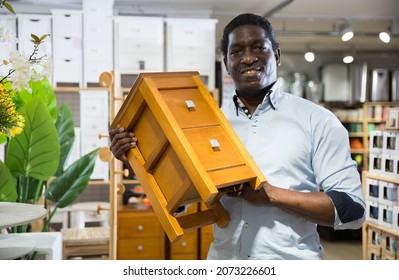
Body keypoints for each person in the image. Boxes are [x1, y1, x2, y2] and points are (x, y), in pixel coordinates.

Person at [109, 13, 365, 260]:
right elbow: (180, 202)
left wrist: (271, 194)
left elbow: (352, 210)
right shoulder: (204, 126)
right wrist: (139, 162)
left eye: (258, 48)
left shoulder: (317, 121)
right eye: (236, 51)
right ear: (226, 63)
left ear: (276, 55)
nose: (248, 58)